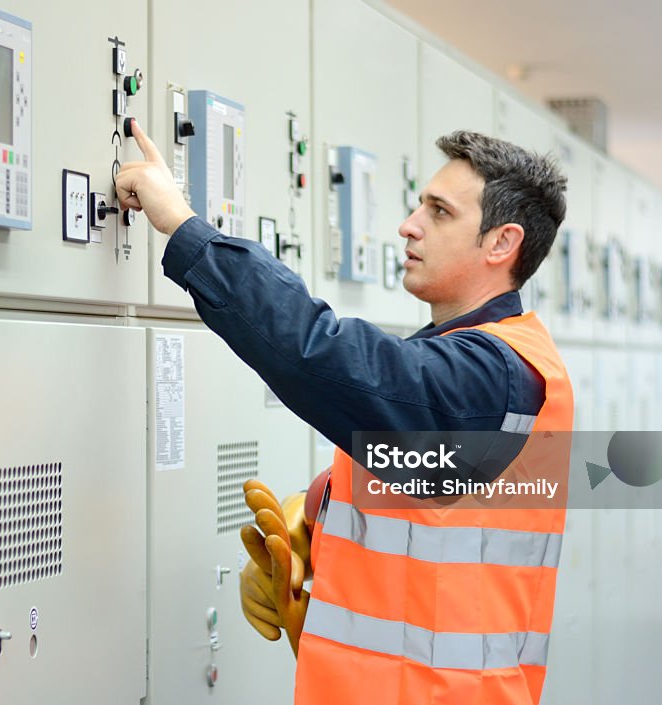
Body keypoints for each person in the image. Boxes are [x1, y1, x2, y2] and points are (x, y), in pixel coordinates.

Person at [116, 121, 574, 705]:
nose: (409, 224)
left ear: (501, 244)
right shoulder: (477, 366)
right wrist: (321, 525)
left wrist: (183, 227)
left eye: (439, 212)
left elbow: (322, 354)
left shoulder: (495, 373)